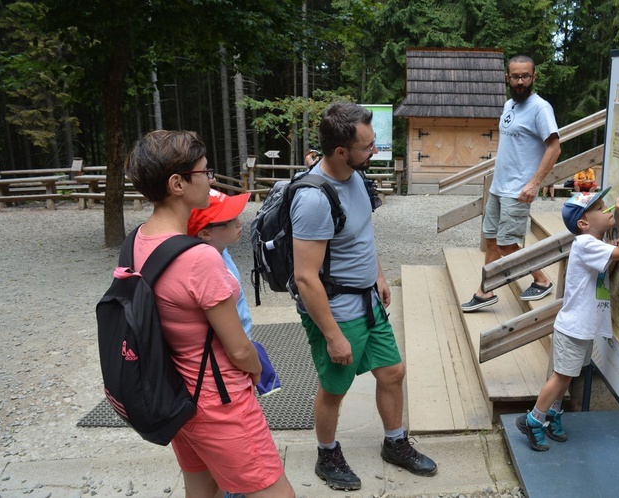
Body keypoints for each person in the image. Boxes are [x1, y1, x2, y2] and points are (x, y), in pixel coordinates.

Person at [125, 130, 294, 497]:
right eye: (204, 172)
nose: (211, 178)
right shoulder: (199, 258)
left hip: (174, 396)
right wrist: (257, 369)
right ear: (177, 184)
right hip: (219, 401)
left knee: (201, 489)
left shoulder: (138, 241)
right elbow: (238, 349)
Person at [291, 102, 437, 491]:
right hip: (338, 312)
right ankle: (327, 454)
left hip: (367, 301)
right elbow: (305, 277)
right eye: (368, 146)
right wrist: (334, 335)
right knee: (334, 389)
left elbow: (360, 237)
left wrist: (378, 275)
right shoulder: (314, 200)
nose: (375, 150)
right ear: (341, 151)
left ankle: (394, 443)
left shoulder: (355, 176)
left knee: (392, 372)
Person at [516, 188, 619, 451]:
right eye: (601, 207)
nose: (609, 209)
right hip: (574, 328)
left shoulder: (593, 246)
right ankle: (533, 419)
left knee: (568, 376)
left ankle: (554, 414)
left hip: (583, 327)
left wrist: (609, 250)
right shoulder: (585, 243)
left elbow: (606, 266)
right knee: (560, 376)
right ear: (584, 223)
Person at [461, 54, 561, 312]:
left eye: (525, 76)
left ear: (533, 77)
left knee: (507, 243)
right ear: (507, 78)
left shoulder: (540, 108)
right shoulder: (509, 105)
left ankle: (542, 280)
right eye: (515, 76)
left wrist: (534, 183)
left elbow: (554, 148)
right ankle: (485, 290)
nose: (520, 81)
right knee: (492, 239)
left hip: (518, 189)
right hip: (498, 186)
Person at [187, 189, 281, 397]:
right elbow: (233, 345)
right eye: (229, 220)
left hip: (240, 346)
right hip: (229, 358)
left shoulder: (220, 249)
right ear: (205, 233)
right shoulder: (209, 267)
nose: (239, 223)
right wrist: (255, 368)